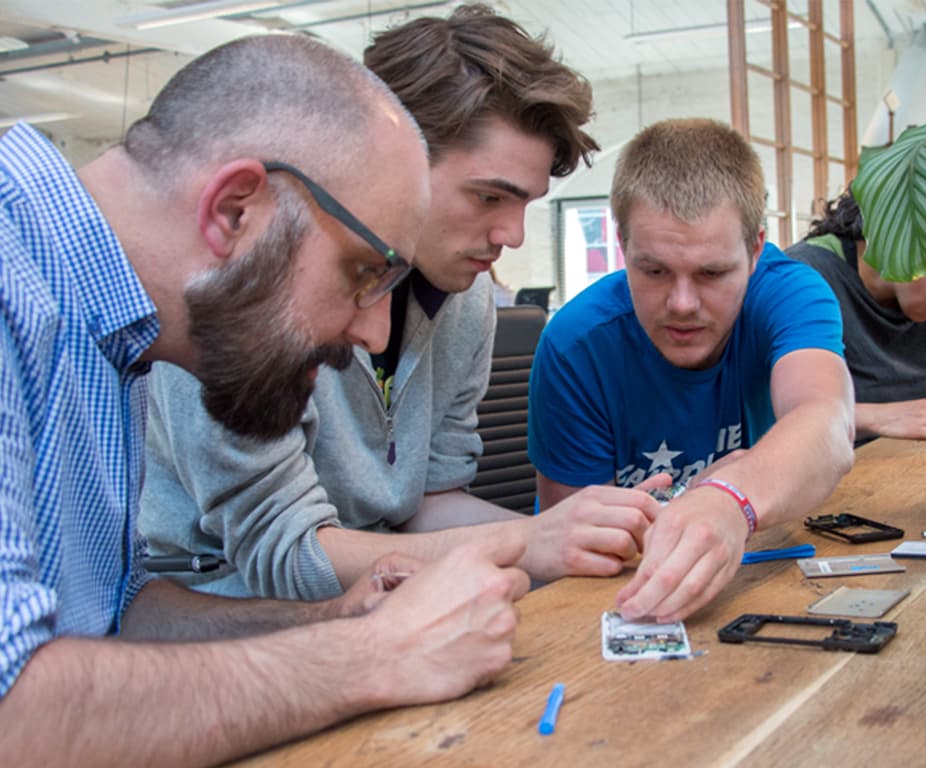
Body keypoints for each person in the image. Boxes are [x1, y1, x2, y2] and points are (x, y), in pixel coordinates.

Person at [0, 35, 532, 766]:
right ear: (234, 210)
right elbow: (14, 718)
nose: (375, 333)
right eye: (360, 273)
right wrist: (367, 655)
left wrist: (329, 618)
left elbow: (117, 618)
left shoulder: (117, 334)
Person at [140, 4, 664, 602]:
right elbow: (283, 552)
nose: (512, 235)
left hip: (389, 589)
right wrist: (526, 543)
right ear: (394, 161)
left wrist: (575, 539)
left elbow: (427, 502)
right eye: (489, 196)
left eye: (526, 204)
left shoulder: (466, 302)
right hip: (224, 607)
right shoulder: (255, 288)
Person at [528, 118, 856, 623]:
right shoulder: (576, 344)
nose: (682, 304)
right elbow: (570, 558)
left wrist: (730, 499)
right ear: (622, 247)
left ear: (755, 250)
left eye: (712, 273)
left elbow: (827, 423)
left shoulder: (792, 291)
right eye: (654, 270)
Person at [786, 182, 926, 442]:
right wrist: (882, 417)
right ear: (912, 250)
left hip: (904, 465)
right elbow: (779, 410)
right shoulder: (803, 279)